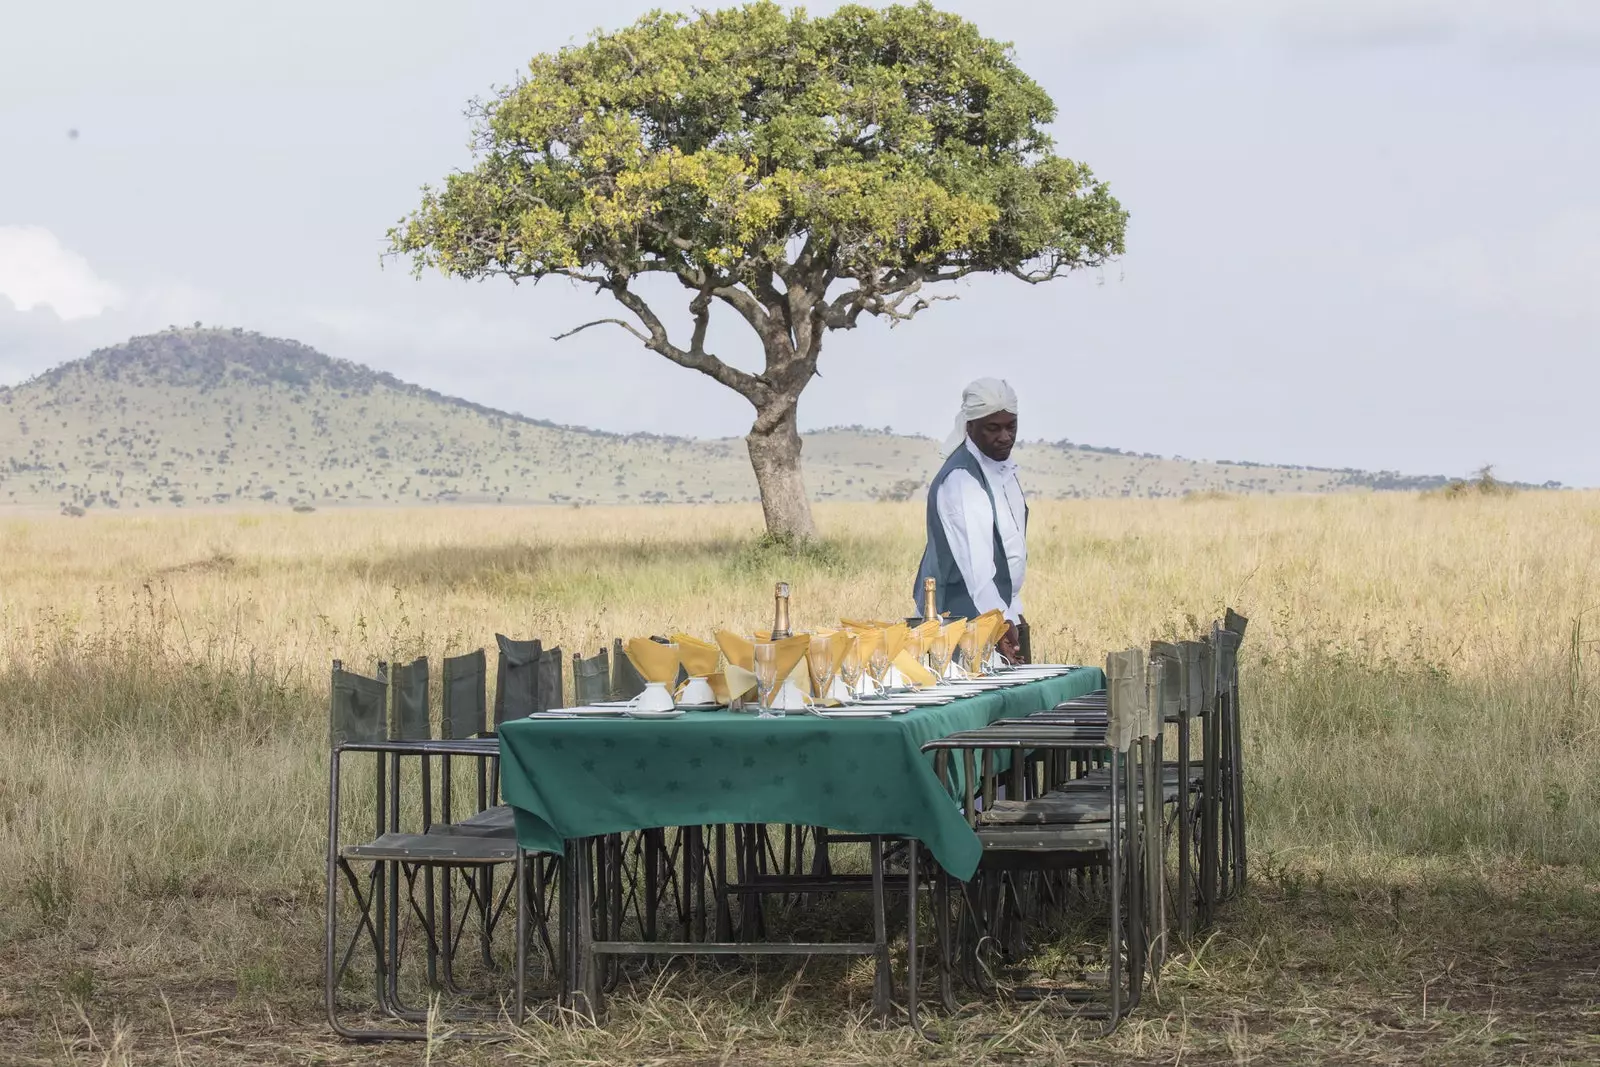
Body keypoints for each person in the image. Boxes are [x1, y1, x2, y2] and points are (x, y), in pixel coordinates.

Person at [913, 377, 1029, 664]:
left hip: (1000, 617)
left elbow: (1009, 555)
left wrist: (1011, 614)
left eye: (1010, 426)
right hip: (959, 625)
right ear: (970, 426)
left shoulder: (1004, 472)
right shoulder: (960, 479)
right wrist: (999, 624)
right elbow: (978, 573)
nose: (1005, 436)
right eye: (993, 428)